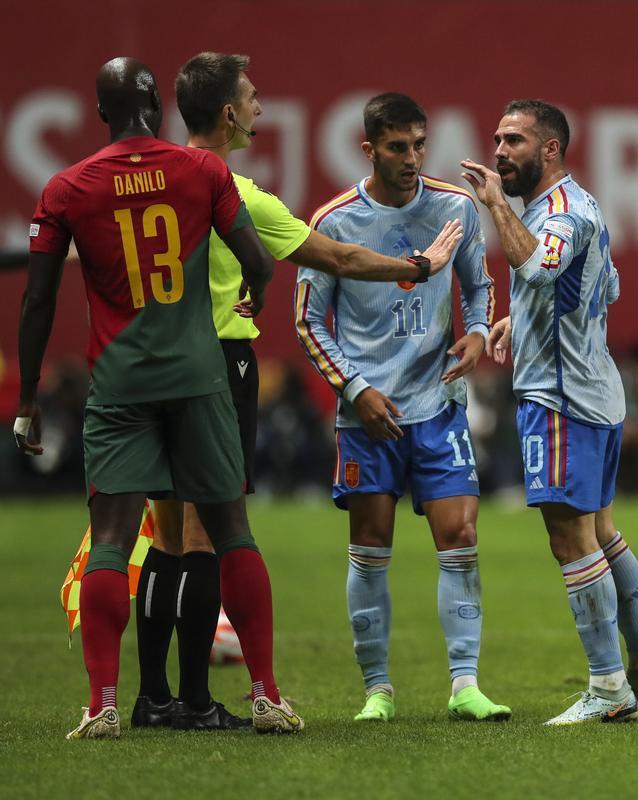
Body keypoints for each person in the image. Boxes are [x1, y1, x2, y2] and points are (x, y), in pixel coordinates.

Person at [127, 52, 464, 733]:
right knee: (209, 535)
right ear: (227, 113)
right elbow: (335, 257)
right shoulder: (236, 192)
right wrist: (418, 264)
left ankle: (149, 695)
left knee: (161, 536)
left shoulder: (147, 182)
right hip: (214, 365)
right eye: (251, 99)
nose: (259, 108)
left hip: (144, 364)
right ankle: (196, 699)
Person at [16, 57, 301, 738]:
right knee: (231, 531)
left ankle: (104, 703)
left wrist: (28, 398)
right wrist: (254, 290)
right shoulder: (202, 172)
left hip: (119, 385)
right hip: (199, 378)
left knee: (115, 541)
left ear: (99, 114)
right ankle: (264, 694)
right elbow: (258, 261)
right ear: (156, 102)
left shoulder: (66, 188)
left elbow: (37, 300)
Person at [462, 100, 638, 725]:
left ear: (549, 149)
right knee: (603, 533)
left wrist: (496, 203)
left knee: (570, 539)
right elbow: (595, 290)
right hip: (595, 391)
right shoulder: (582, 205)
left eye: (515, 141)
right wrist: (519, 321)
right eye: (498, 139)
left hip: (561, 400)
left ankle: (608, 688)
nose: (500, 151)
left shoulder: (558, 214)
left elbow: (535, 263)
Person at [297, 93, 508, 723]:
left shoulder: (456, 207)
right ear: (369, 149)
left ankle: (465, 685)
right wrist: (356, 390)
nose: (413, 158)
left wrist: (475, 331)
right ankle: (378, 690)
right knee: (370, 544)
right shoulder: (333, 223)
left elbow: (479, 284)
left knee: (462, 536)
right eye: (398, 147)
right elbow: (309, 323)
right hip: (368, 413)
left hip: (438, 402)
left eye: (420, 144)